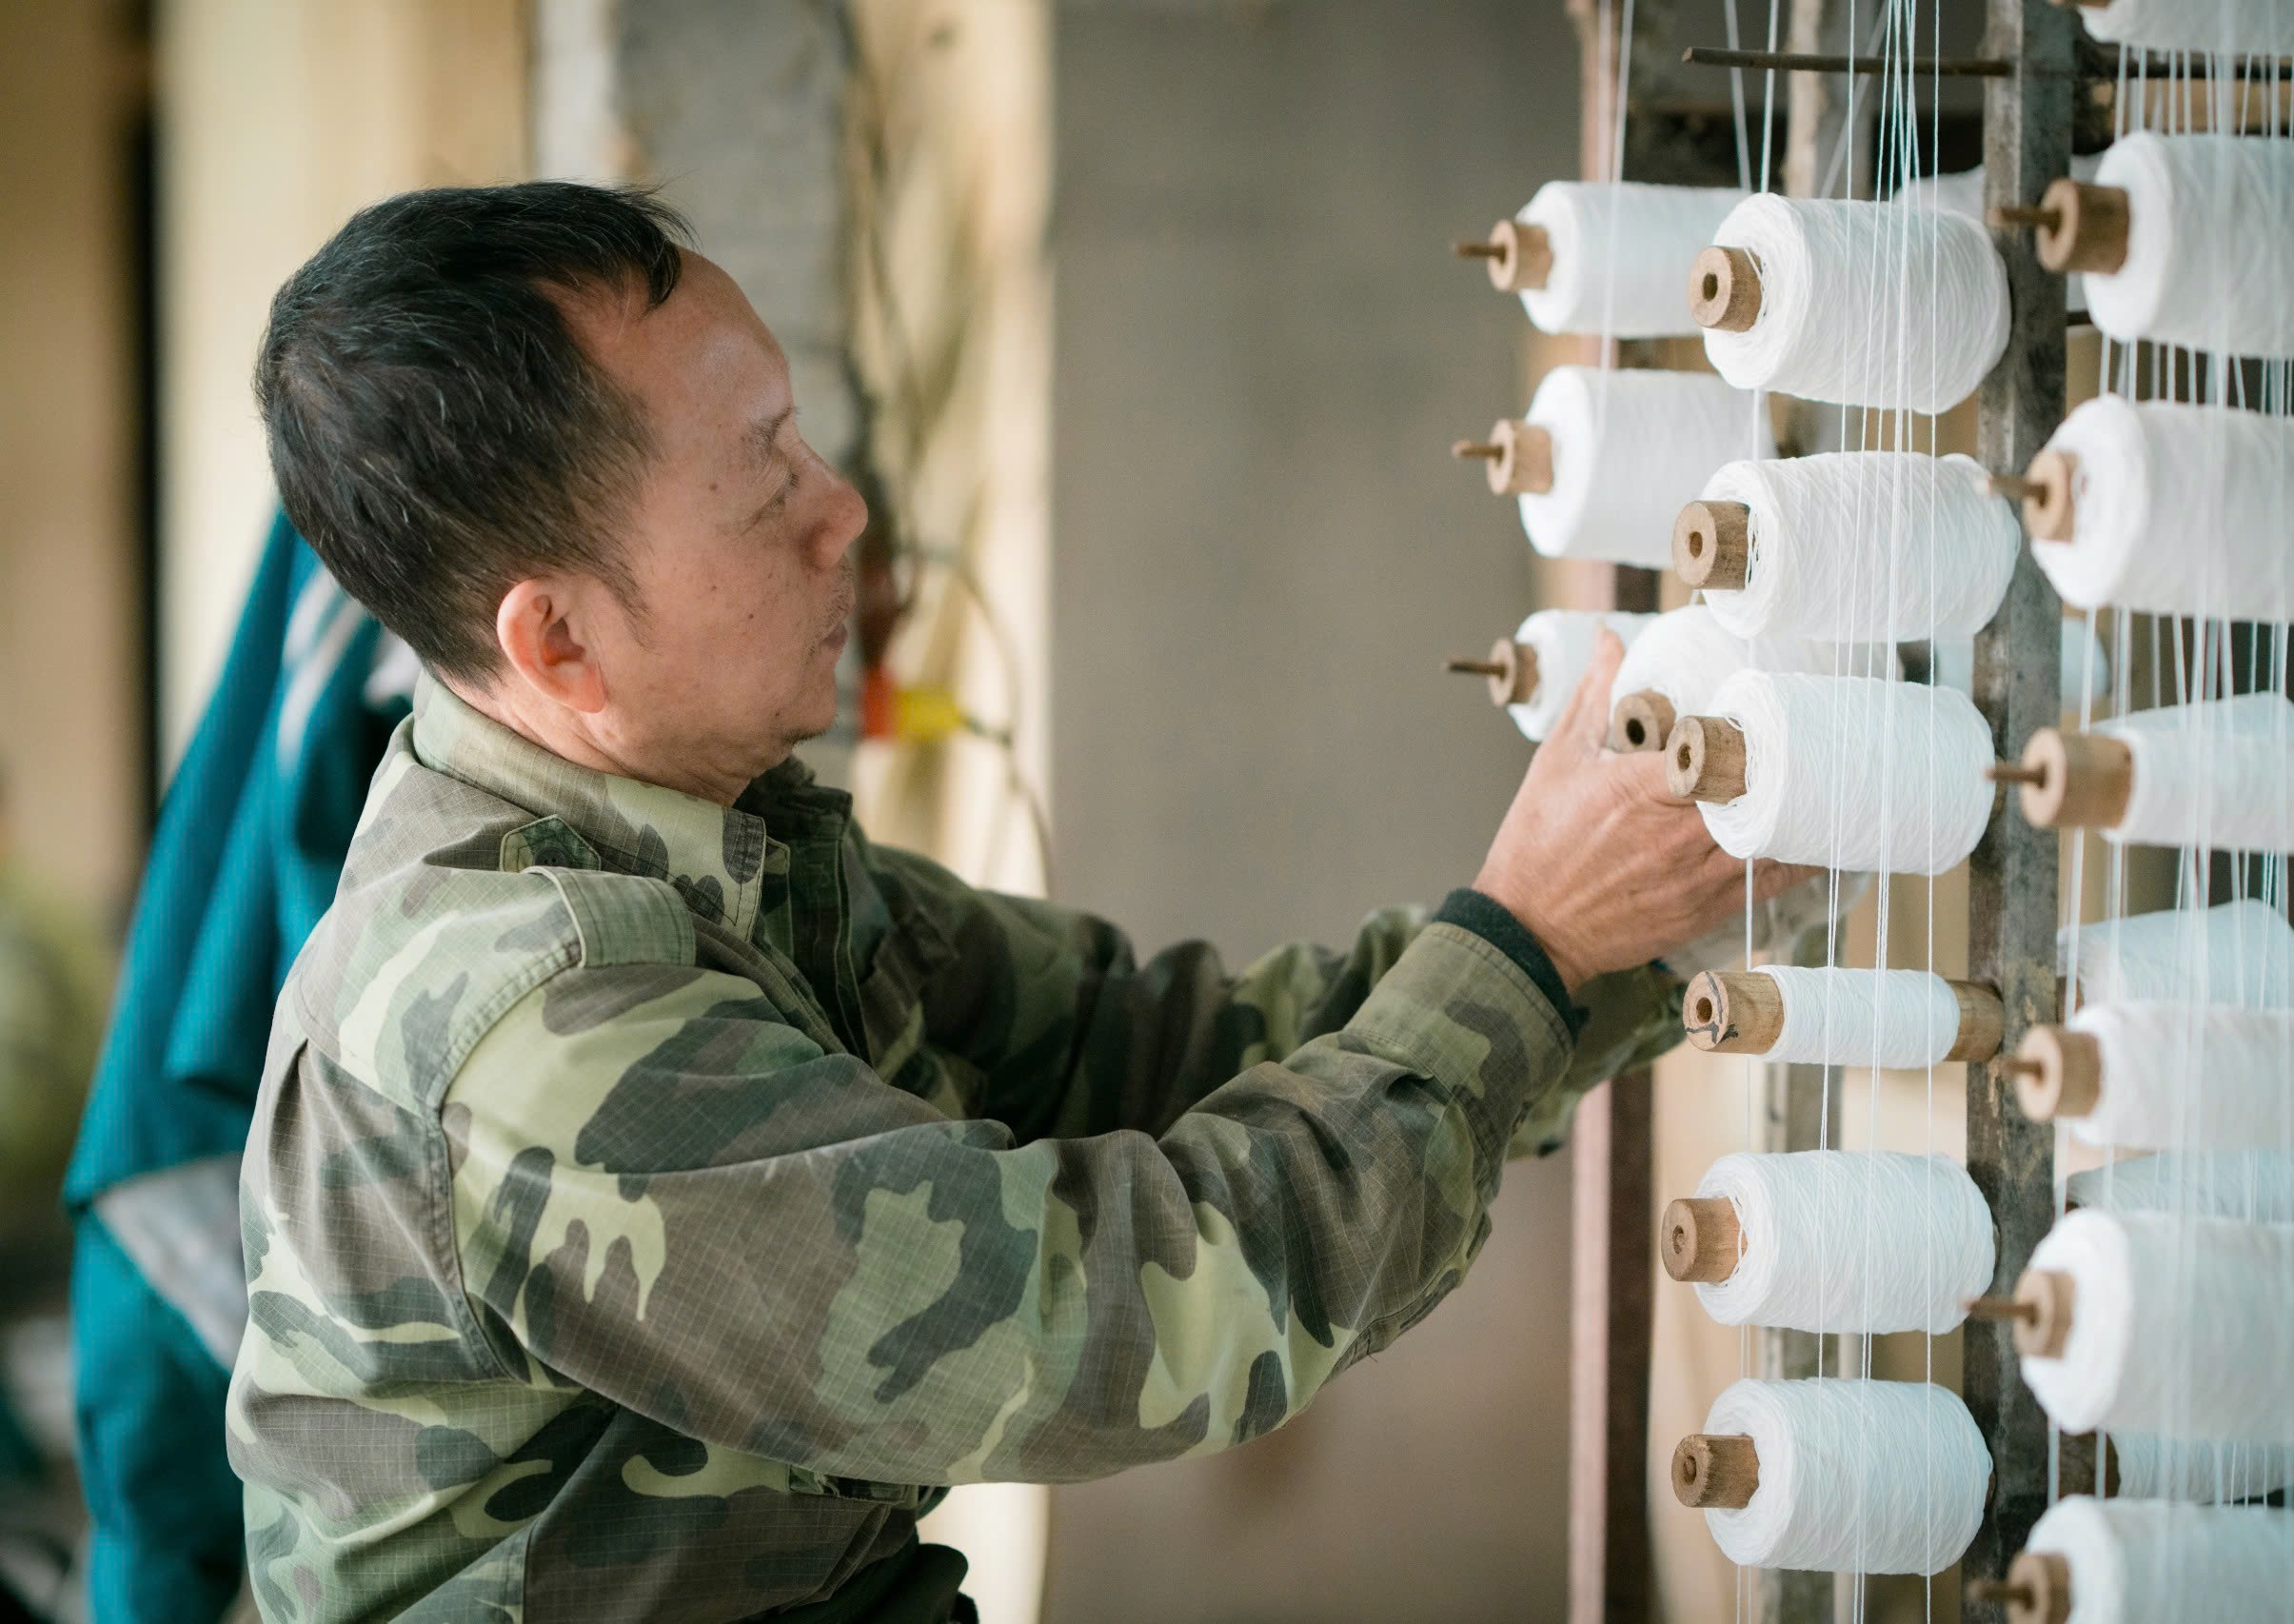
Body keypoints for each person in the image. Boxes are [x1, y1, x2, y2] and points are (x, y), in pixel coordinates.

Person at [227, 183, 1808, 1623]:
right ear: (556, 641)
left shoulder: (714, 841)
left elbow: (1173, 1045)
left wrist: (1649, 915)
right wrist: (1528, 948)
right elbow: (1116, 1314)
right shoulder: (534, 1025)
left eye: (804, 434)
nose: (838, 511)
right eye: (761, 470)